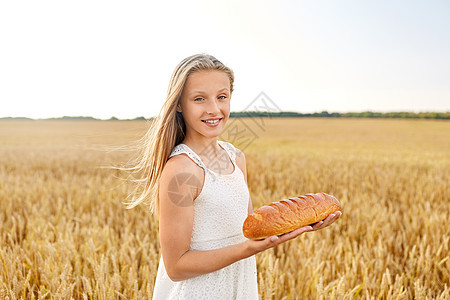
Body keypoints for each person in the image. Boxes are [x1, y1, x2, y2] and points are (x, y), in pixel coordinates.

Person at [123, 53, 342, 299]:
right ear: (179, 105)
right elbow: (176, 267)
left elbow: (249, 231)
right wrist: (246, 249)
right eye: (199, 99)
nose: (214, 109)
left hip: (239, 285)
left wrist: (301, 222)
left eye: (222, 97)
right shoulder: (181, 170)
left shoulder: (236, 157)